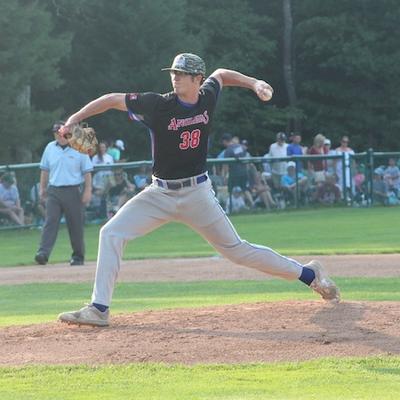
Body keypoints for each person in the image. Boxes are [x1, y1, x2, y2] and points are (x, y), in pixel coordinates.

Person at [57, 52, 339, 327]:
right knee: (111, 233)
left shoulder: (207, 96)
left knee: (237, 251)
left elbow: (222, 74)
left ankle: (308, 274)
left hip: (197, 194)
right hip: (160, 194)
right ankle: (99, 308)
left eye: (182, 74)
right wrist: (73, 119)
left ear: (197, 79)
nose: (175, 78)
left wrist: (255, 83)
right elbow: (110, 100)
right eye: (174, 74)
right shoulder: (158, 105)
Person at [34, 121, 93, 266]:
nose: (59, 136)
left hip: (73, 190)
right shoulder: (49, 148)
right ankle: (43, 253)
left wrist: (87, 190)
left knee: (75, 224)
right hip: (54, 190)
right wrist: (42, 188)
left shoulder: (79, 147)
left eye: (61, 133)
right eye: (56, 133)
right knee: (50, 222)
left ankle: (78, 256)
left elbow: (87, 172)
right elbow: (45, 170)